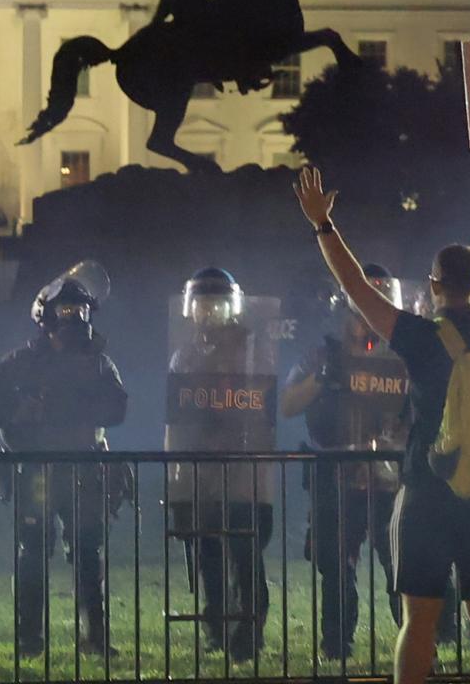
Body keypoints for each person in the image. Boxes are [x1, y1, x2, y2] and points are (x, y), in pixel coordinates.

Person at [294, 144, 470, 684]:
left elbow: (355, 287)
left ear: (434, 284)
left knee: (419, 621)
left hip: (427, 492)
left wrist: (324, 225)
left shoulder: (418, 337)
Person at [0, 268, 128, 658]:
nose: (75, 317)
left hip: (85, 468)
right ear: (47, 316)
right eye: (66, 309)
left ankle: (96, 638)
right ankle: (29, 639)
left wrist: (65, 406)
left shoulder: (100, 363)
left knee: (88, 551)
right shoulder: (20, 363)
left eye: (81, 309)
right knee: (33, 551)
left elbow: (118, 408)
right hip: (37, 470)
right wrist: (22, 412)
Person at [280, 265, 405, 661]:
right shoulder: (323, 354)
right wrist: (322, 378)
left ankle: (416, 642)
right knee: (336, 569)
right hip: (337, 478)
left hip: (391, 479)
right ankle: (336, 644)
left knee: (402, 569)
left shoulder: (403, 357)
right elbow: (285, 405)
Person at [164, 267, 275, 661]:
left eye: (217, 304)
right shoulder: (185, 353)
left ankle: (249, 628)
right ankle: (215, 625)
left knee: (245, 553)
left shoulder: (251, 349)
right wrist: (176, 474)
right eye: (202, 305)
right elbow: (173, 418)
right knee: (207, 549)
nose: (209, 313)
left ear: (233, 307)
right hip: (199, 468)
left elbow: (263, 408)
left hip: (243, 469)